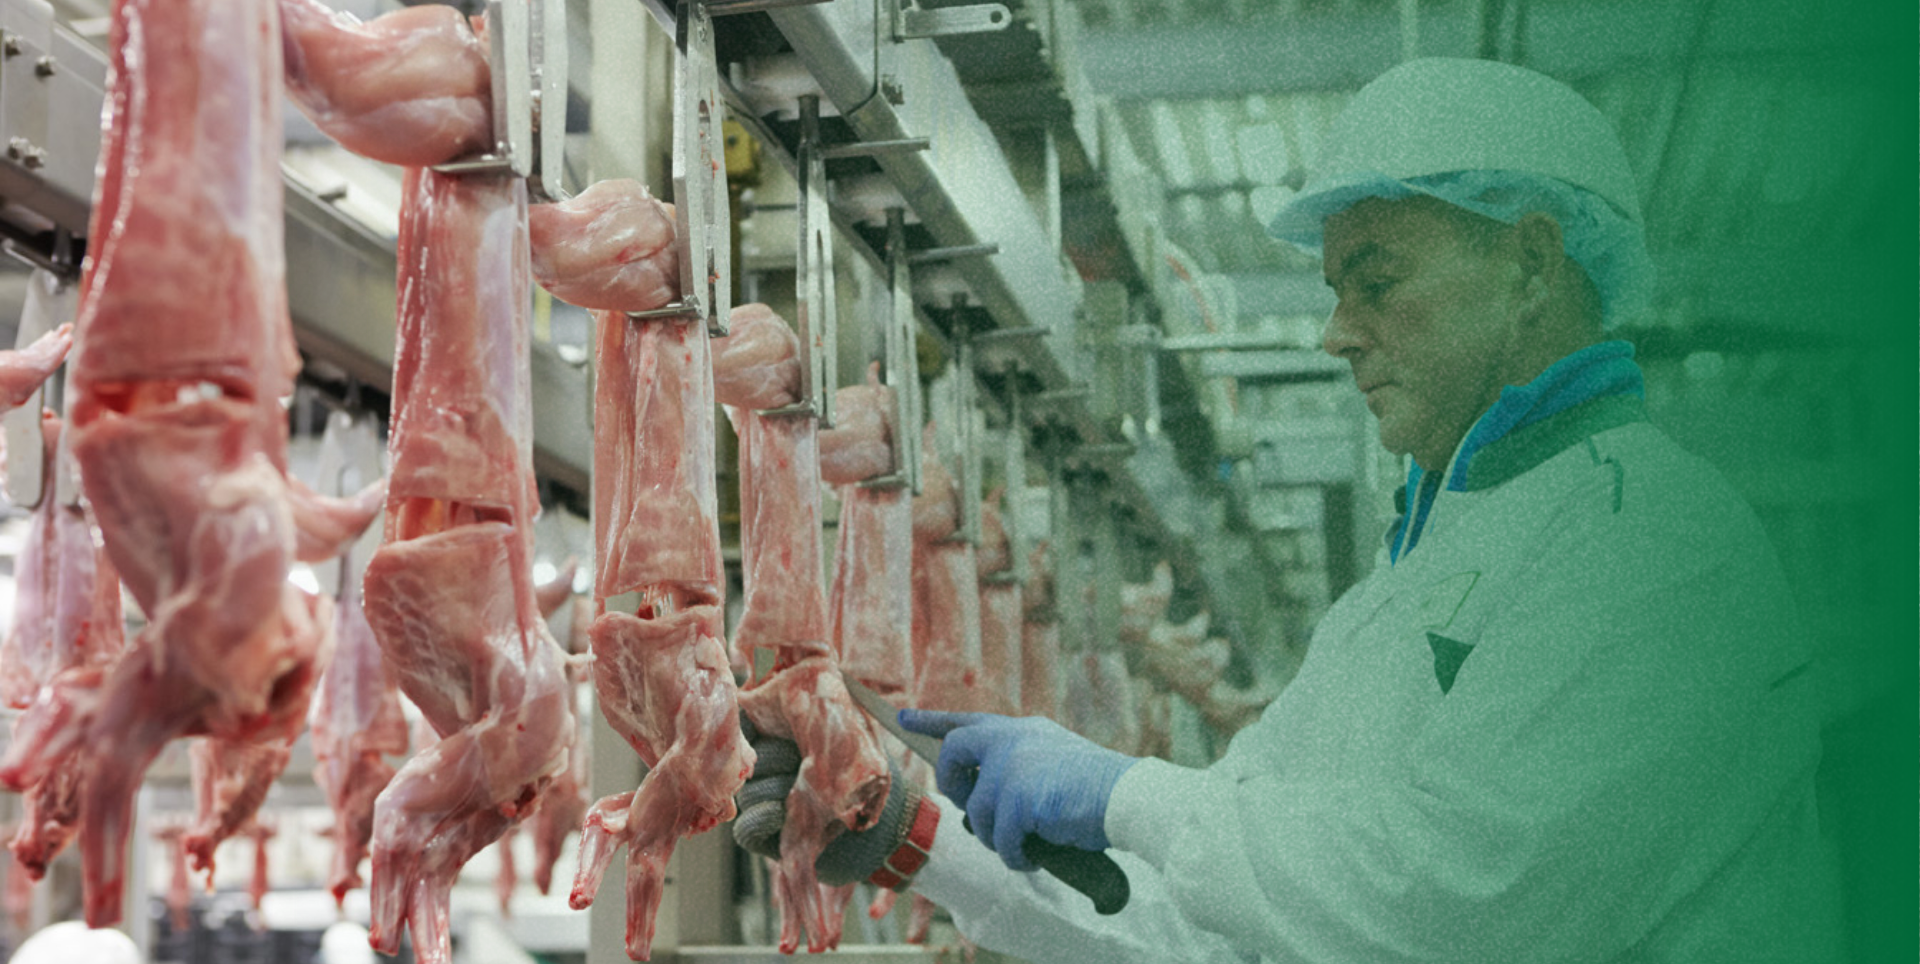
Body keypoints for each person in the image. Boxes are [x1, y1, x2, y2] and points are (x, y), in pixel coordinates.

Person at [732, 57, 1840, 962]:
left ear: (1532, 264)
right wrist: (903, 827)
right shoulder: (1392, 601)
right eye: (1335, 291)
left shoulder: (1656, 544)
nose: (1336, 331)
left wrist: (1122, 793)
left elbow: (1465, 906)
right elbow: (1206, 930)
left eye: (1378, 279)